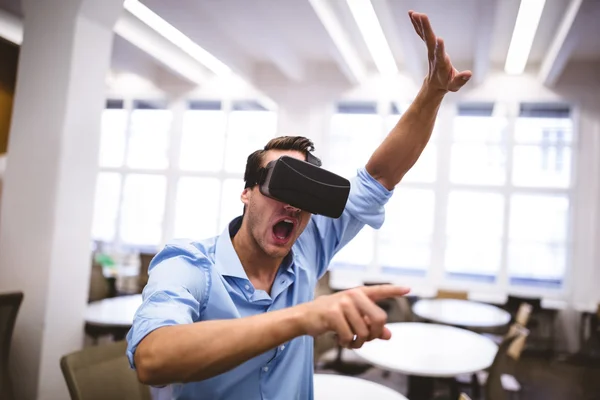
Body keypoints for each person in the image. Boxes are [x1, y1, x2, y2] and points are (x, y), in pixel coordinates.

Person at [126, 10, 472, 399]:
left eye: (303, 195)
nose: (292, 206)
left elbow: (380, 177)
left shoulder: (304, 249)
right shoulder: (188, 266)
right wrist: (302, 317)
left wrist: (433, 92)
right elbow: (152, 359)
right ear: (247, 193)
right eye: (279, 187)